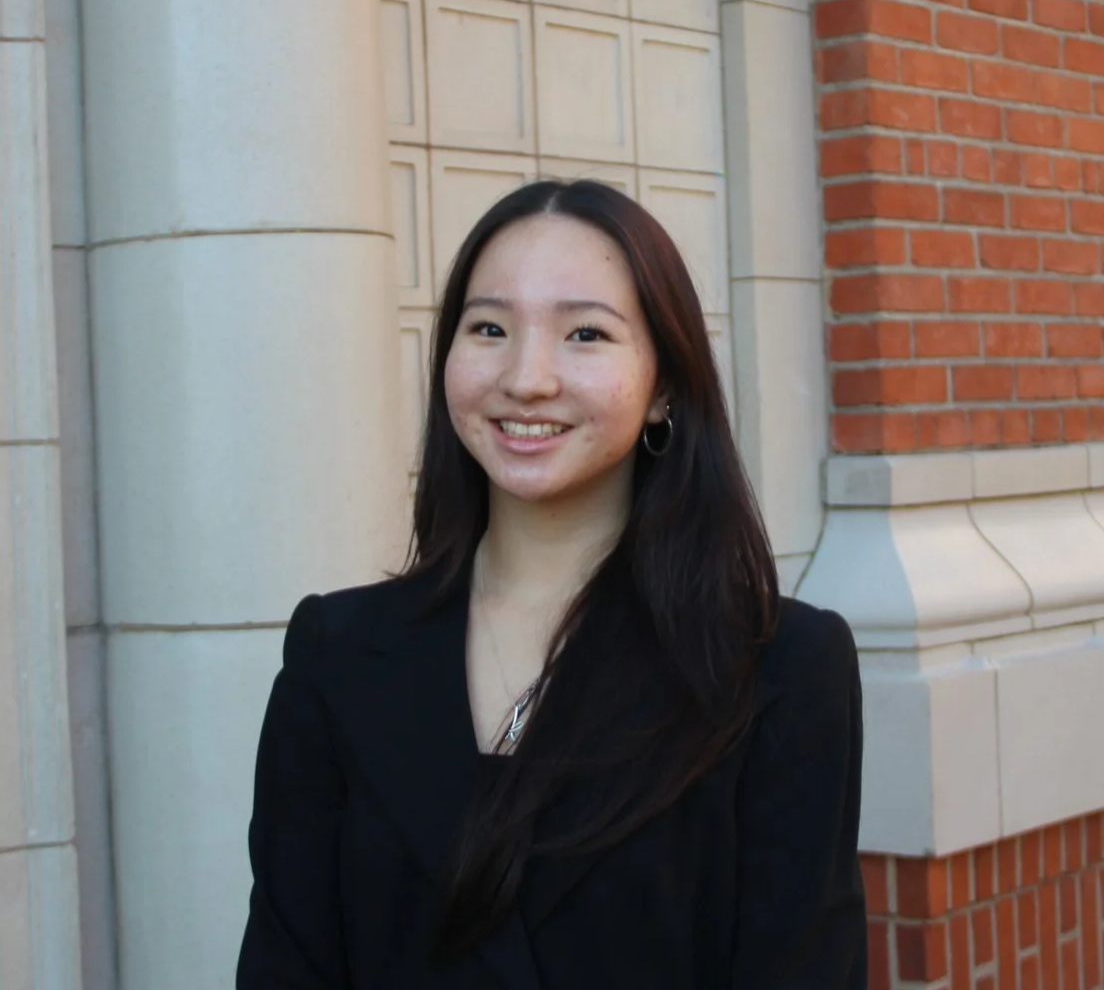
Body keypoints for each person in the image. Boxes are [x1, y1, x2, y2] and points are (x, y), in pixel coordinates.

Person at [236, 180, 866, 989]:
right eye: (490, 327)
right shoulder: (338, 655)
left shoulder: (779, 670)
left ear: (664, 386)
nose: (527, 378)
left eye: (586, 334)